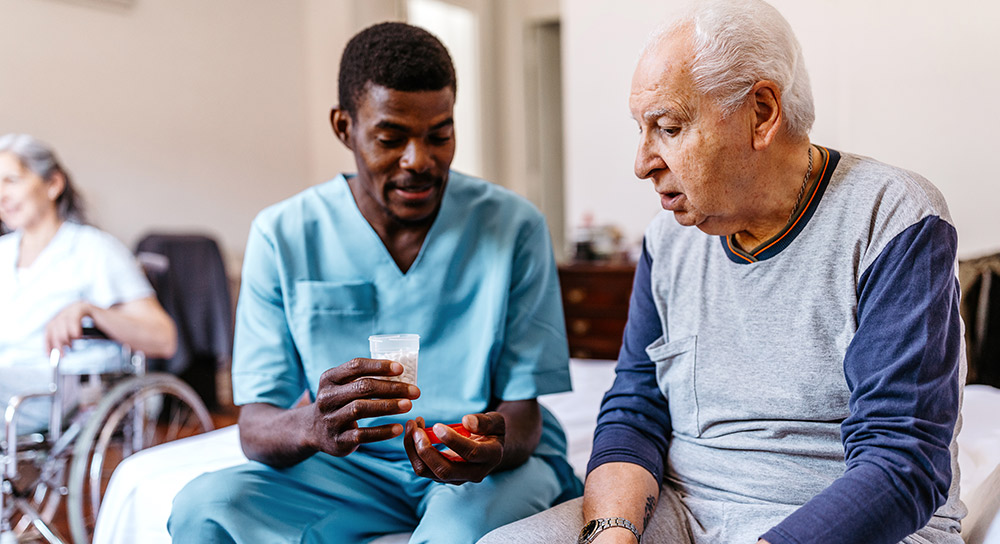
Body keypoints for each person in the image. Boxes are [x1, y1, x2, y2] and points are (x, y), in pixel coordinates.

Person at [479, 1, 965, 543]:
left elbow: (902, 465)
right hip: (684, 511)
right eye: (641, 131)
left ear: (761, 113)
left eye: (667, 127)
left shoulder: (893, 217)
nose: (642, 163)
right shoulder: (667, 239)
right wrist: (611, 533)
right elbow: (636, 405)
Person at [168, 22, 580, 544]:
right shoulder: (284, 234)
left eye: (440, 135)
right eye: (391, 138)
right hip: (350, 471)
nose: (419, 161)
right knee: (204, 509)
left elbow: (522, 416)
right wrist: (312, 426)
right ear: (345, 128)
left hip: (479, 468)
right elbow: (255, 426)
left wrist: (492, 448)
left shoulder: (513, 227)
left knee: (456, 535)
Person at [0, 133, 177, 433]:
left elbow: (164, 339)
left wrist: (90, 311)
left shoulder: (94, 250)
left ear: (53, 184)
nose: (1, 195)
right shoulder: (4, 252)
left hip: (54, 391)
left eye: (11, 180)